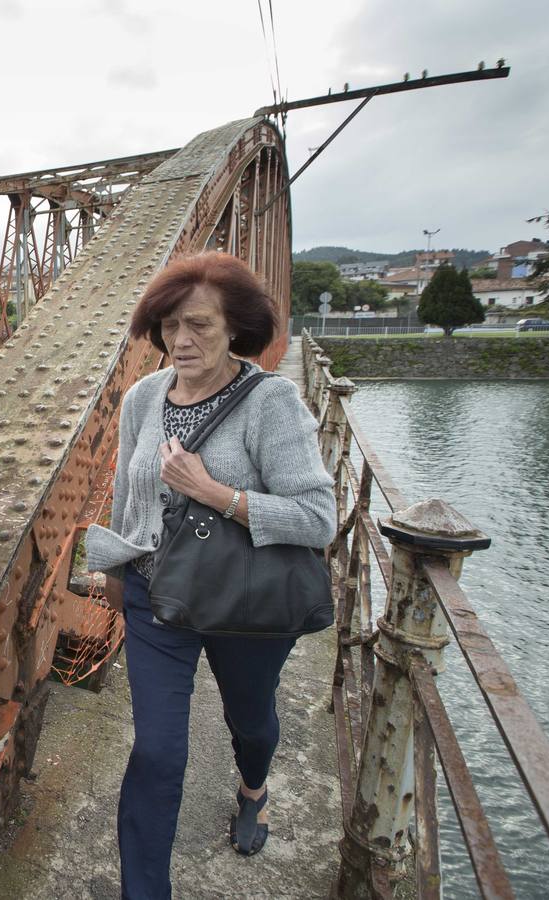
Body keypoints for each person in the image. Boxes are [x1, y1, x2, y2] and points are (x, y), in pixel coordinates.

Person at [85, 252, 335, 899]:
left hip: (244, 601)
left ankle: (252, 790)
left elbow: (317, 517)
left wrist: (215, 492)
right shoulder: (143, 396)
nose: (180, 341)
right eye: (169, 326)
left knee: (250, 722)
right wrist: (115, 568)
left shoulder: (272, 402)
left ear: (235, 327)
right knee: (157, 752)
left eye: (197, 324)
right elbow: (127, 491)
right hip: (154, 594)